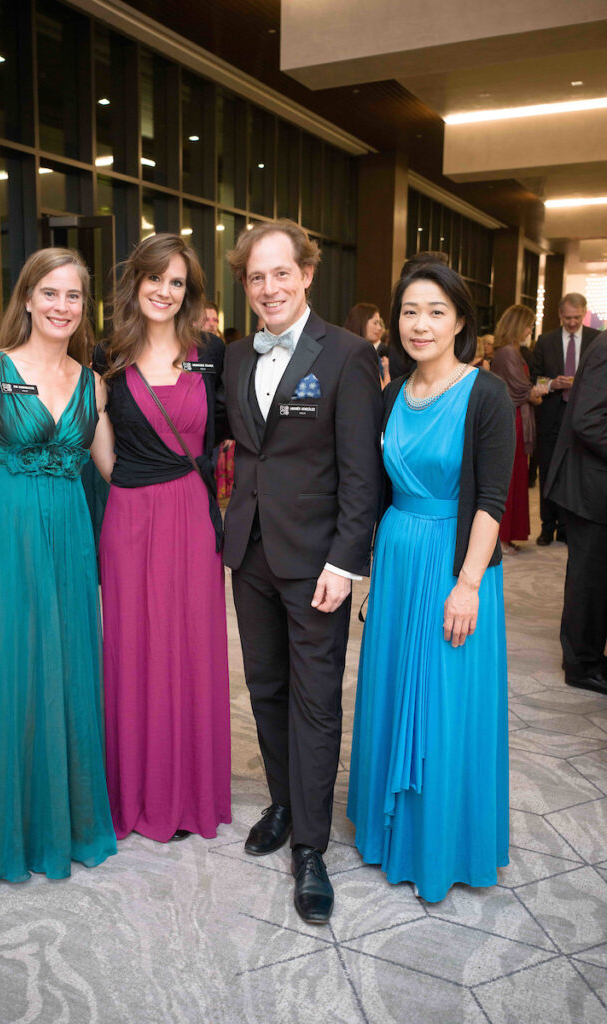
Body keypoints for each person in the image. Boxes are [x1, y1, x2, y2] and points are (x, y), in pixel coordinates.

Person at [0, 248, 117, 881]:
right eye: (50, 293)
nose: (62, 307)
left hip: (68, 542)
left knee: (65, 671)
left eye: (73, 296)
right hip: (5, 539)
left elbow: (117, 470)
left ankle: (60, 823)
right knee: (11, 673)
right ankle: (9, 829)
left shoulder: (93, 384)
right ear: (28, 298)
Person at [224, 219, 382, 924]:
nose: (269, 288)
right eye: (256, 277)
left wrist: (346, 562)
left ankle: (312, 847)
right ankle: (285, 801)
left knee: (316, 699)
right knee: (265, 688)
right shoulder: (232, 357)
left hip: (318, 560)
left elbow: (361, 472)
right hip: (250, 553)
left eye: (281, 273)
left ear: (307, 274)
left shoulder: (347, 355)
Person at [348, 259, 515, 904]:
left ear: (461, 322)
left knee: (445, 704)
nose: (420, 324)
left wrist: (469, 583)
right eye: (410, 311)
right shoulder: (393, 393)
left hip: (454, 566)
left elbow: (492, 500)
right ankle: (389, 831)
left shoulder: (487, 393)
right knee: (391, 687)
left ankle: (440, 845)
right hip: (397, 561)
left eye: (436, 312)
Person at [94, 233, 231, 843]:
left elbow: (230, 434)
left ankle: (188, 791)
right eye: (155, 278)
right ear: (136, 283)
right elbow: (102, 445)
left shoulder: (210, 354)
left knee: (190, 647)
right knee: (134, 647)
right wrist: (135, 485)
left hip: (193, 518)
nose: (165, 291)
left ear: (189, 292)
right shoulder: (108, 357)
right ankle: (138, 792)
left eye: (176, 282)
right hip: (130, 516)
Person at [546, 330, 607, 695]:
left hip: (594, 485)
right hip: (589, 486)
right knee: (589, 580)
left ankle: (590, 656)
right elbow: (588, 419)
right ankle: (580, 664)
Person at [531, 293, 600, 546]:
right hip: (552, 414)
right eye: (568, 318)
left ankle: (568, 528)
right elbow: (533, 380)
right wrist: (551, 383)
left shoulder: (596, 339)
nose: (573, 322)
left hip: (584, 417)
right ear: (560, 315)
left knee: (577, 474)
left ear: (584, 313)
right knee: (548, 471)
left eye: (577, 317)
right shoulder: (545, 340)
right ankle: (547, 527)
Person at [491, 305, 545, 555]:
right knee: (510, 479)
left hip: (516, 418)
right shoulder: (507, 353)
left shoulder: (511, 351)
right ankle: (501, 538)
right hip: (512, 420)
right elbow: (522, 390)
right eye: (528, 324)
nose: (530, 329)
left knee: (517, 477)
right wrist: (538, 393)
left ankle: (508, 535)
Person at [345, 303, 390, 387]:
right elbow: (384, 392)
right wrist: (387, 371)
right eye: (375, 323)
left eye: (379, 323)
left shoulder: (345, 348)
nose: (379, 328)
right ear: (362, 322)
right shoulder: (366, 353)